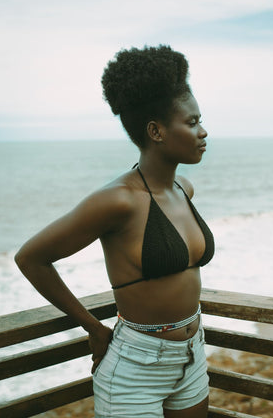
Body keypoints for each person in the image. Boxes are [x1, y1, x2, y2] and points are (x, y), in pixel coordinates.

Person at [15, 45, 215, 418]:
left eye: (200, 120)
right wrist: (92, 327)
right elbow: (31, 258)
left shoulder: (183, 189)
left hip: (192, 357)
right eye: (191, 122)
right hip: (135, 370)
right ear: (155, 131)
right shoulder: (118, 201)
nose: (203, 132)